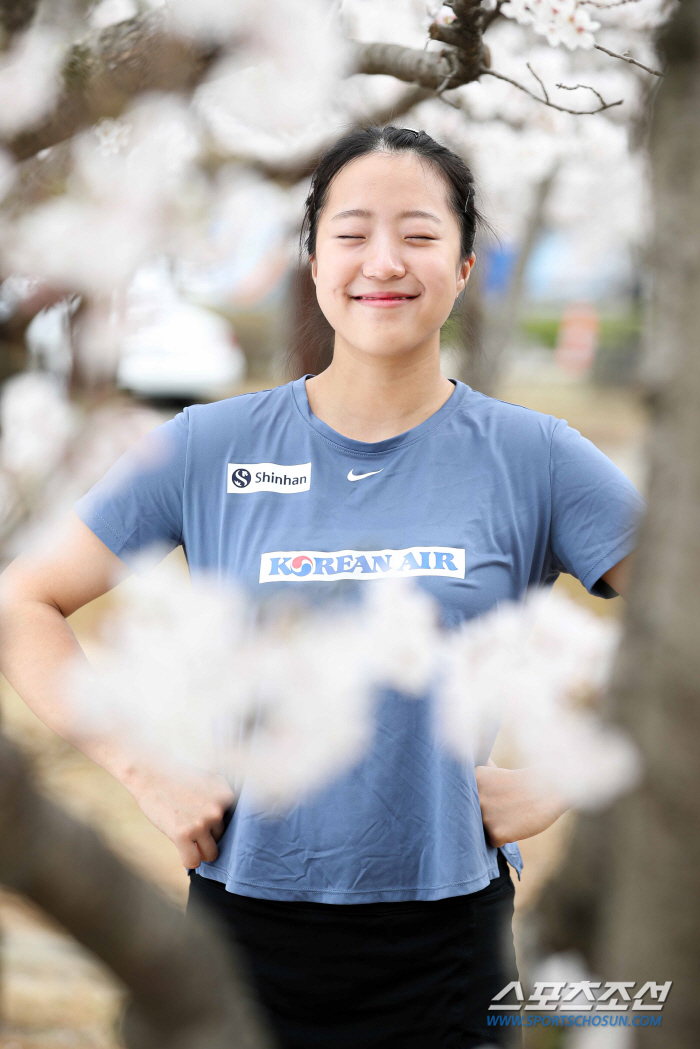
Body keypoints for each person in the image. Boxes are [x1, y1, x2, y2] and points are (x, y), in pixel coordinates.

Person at [0, 126, 644, 1048]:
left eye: (419, 234)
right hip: (242, 929)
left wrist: (561, 775)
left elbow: (682, 626)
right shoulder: (207, 447)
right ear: (312, 261)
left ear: (464, 266)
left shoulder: (536, 456)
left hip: (449, 944)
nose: (383, 260)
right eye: (351, 233)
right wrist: (145, 772)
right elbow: (21, 603)